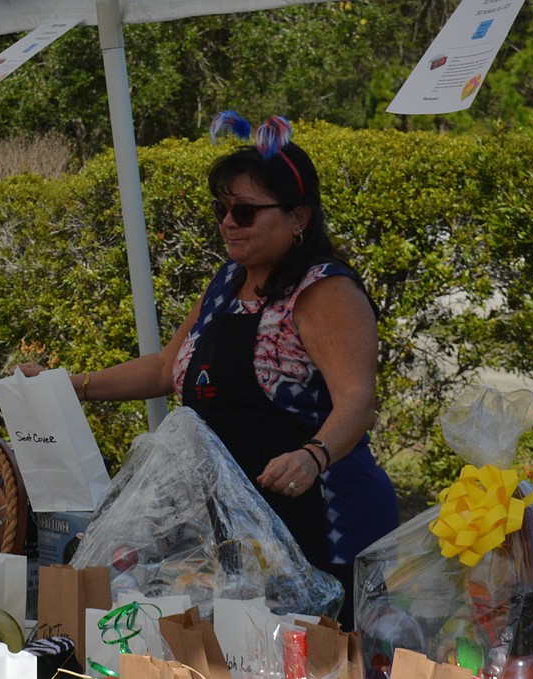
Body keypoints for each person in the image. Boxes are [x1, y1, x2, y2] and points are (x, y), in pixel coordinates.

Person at [20, 112, 399, 627]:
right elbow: (163, 369)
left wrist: (314, 455)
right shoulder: (227, 282)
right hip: (241, 530)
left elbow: (357, 399)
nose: (226, 222)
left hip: (323, 523)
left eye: (244, 212)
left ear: (298, 217)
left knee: (323, 675)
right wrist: (73, 387)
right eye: (221, 209)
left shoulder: (326, 292)